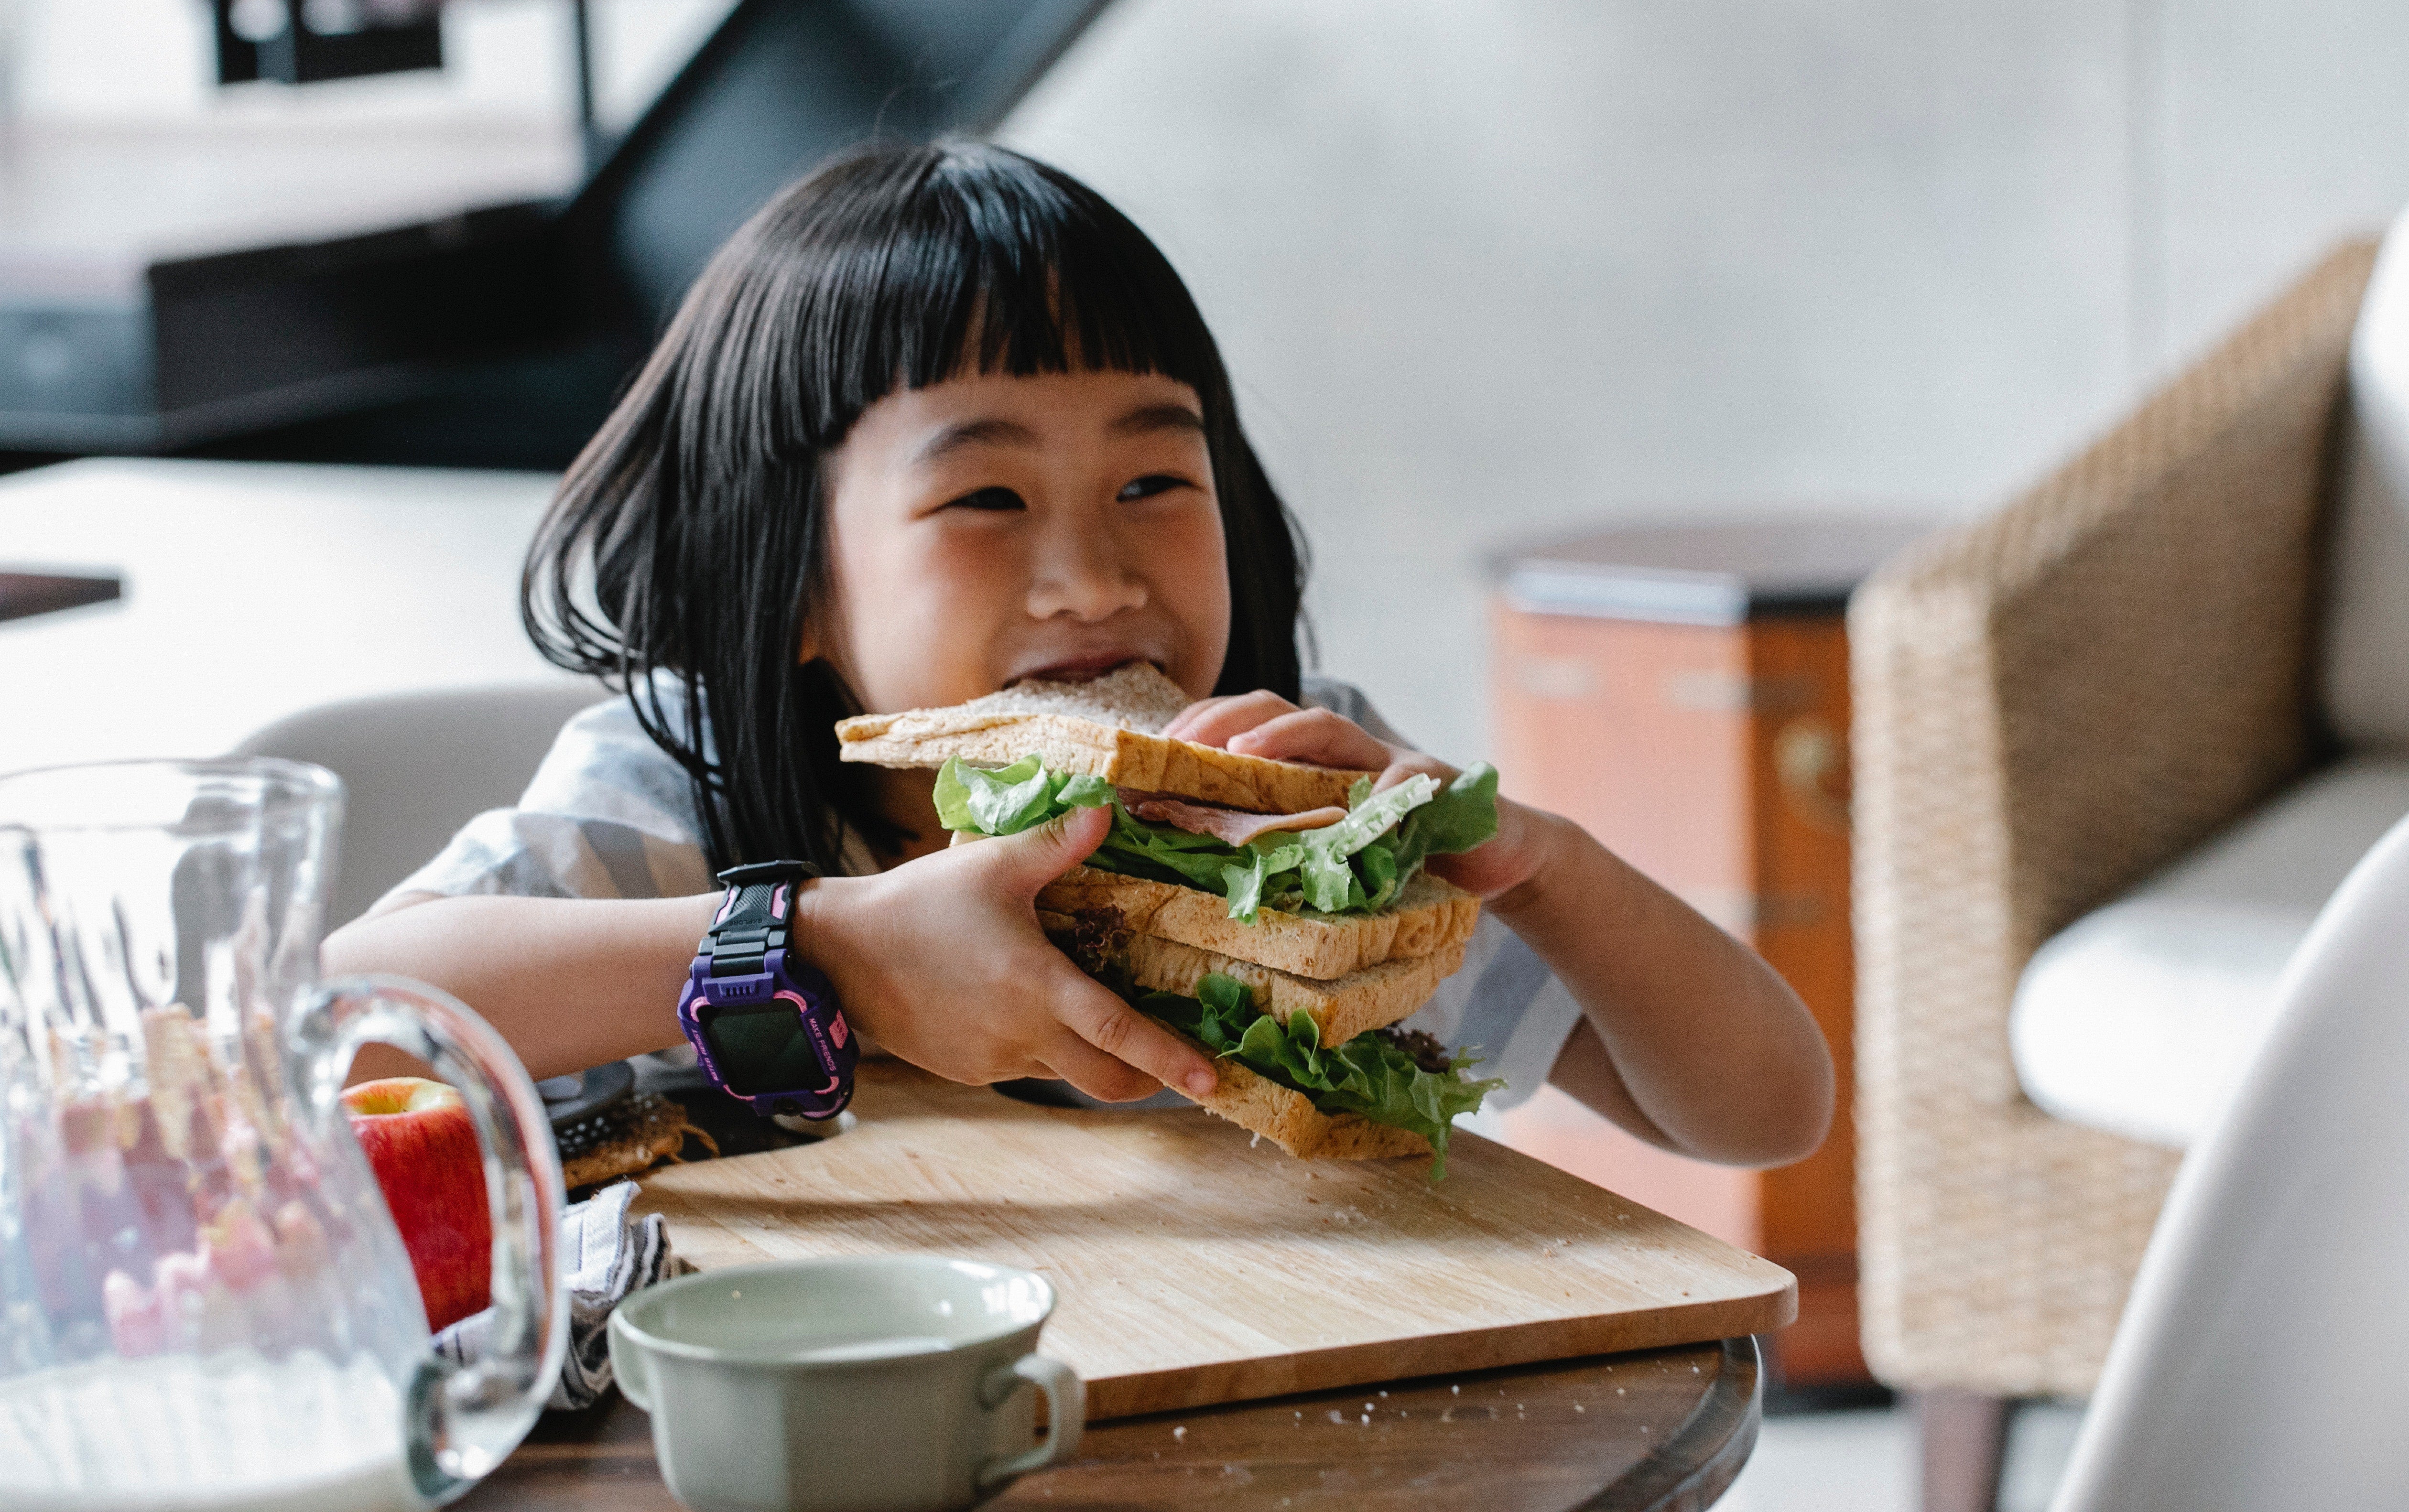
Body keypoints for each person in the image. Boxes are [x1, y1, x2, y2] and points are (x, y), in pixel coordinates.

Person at [323, 141, 1831, 1168]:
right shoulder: (683, 793)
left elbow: (1760, 1112)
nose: (1093, 574)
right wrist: (828, 945)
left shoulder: (1291, 803)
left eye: (1154, 485)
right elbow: (347, 1023)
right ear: (790, 581)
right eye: (986, 497)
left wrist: (1539, 866)